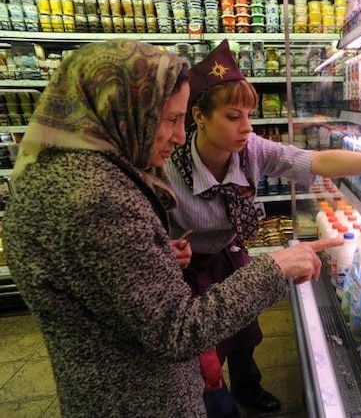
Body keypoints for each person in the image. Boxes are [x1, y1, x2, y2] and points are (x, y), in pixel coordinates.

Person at [2, 39, 342, 417]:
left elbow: (106, 280)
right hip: (138, 397)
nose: (180, 137)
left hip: (109, 385)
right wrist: (274, 267)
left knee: (242, 345)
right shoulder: (96, 196)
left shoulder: (69, 171)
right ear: (123, 109)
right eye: (168, 119)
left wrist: (156, 254)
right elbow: (176, 331)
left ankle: (244, 388)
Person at [165, 40, 361, 414]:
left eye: (249, 114)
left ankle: (249, 387)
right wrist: (168, 246)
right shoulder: (168, 164)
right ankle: (213, 400)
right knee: (204, 354)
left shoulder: (251, 149)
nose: (247, 127)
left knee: (243, 331)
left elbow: (320, 161)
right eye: (232, 117)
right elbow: (149, 225)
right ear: (198, 116)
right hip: (186, 268)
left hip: (228, 252)